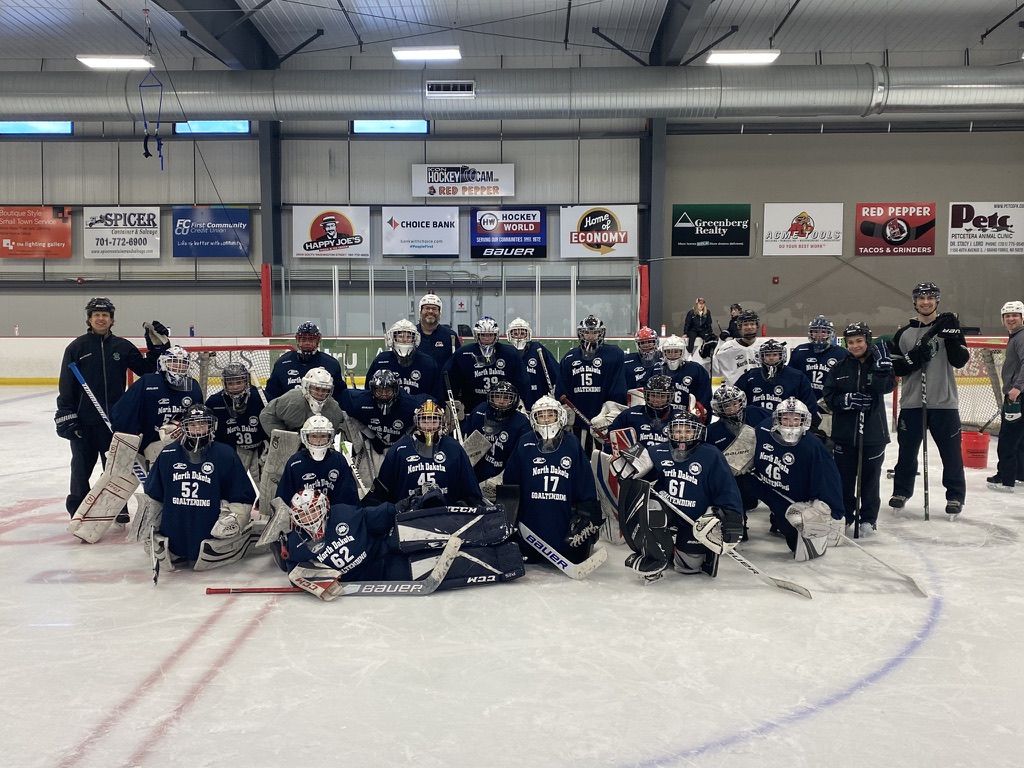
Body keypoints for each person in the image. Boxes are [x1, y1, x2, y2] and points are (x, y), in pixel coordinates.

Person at [274, 489, 524, 598]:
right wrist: (315, 581)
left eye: (313, 512)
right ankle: (505, 559)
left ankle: (492, 525)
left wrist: (407, 502)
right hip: (381, 574)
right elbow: (295, 571)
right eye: (303, 516)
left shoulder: (344, 514)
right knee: (441, 564)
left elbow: (378, 515)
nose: (310, 519)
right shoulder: (296, 544)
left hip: (385, 545)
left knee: (419, 530)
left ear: (324, 508)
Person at [55, 297, 169, 519]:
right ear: (89, 319)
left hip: (116, 421)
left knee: (116, 469)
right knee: (80, 470)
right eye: (96, 315)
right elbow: (66, 386)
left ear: (111, 319)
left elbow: (147, 370)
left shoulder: (122, 346)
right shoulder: (77, 347)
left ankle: (116, 507)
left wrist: (157, 347)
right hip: (84, 421)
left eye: (105, 315)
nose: (100, 318)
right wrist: (66, 415)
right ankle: (78, 510)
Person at [616, 411, 744, 582]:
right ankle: (657, 554)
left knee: (688, 567)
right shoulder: (657, 451)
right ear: (670, 432)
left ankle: (678, 547)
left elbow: (726, 489)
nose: (682, 435)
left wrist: (732, 516)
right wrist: (627, 470)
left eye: (687, 431)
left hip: (695, 520)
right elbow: (634, 477)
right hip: (667, 513)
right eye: (678, 431)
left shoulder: (711, 455)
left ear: (696, 432)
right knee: (651, 507)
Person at [134, 404, 257, 570]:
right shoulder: (168, 454)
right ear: (184, 427)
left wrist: (236, 517)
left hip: (209, 533)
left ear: (211, 425)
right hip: (173, 535)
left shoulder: (225, 455)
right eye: (193, 424)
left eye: (202, 423)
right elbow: (154, 494)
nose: (198, 428)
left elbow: (242, 494)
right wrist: (150, 520)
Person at [887, 282, 969, 517]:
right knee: (906, 452)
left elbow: (960, 360)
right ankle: (901, 491)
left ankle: (955, 495)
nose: (926, 302)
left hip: (944, 403)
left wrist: (952, 335)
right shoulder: (904, 333)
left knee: (951, 454)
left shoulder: (948, 328)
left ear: (937, 301)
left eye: (930, 298)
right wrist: (912, 360)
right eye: (921, 298)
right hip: (913, 403)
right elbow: (896, 367)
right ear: (914, 302)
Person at [503, 396, 601, 564]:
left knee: (574, 552)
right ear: (534, 418)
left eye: (550, 414)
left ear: (559, 416)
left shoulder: (571, 443)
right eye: (541, 415)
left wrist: (584, 516)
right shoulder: (525, 442)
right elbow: (511, 484)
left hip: (563, 527)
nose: (546, 419)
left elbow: (585, 485)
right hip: (531, 530)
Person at [822, 322, 896, 534]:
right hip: (844, 435)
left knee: (869, 481)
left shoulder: (879, 363)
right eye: (851, 342)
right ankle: (845, 514)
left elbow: (886, 388)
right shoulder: (839, 367)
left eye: (859, 341)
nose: (855, 346)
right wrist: (845, 400)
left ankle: (869, 518)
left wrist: (883, 370)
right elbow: (829, 396)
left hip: (874, 435)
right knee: (844, 479)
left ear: (868, 341)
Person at [749, 398, 845, 560]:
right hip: (767, 488)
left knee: (799, 546)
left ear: (804, 420)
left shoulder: (813, 446)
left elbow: (830, 481)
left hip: (793, 501)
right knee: (739, 479)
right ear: (777, 419)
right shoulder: (763, 429)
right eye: (785, 418)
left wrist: (830, 511)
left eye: (796, 419)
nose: (790, 424)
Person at [365, 399, 482, 506]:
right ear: (417, 422)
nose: (429, 426)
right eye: (424, 420)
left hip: (447, 518)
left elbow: (471, 493)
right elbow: (381, 493)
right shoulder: (399, 449)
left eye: (434, 420)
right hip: (407, 519)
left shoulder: (454, 448)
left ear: (441, 422)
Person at [111, 345, 204, 463]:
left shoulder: (193, 387)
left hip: (178, 444)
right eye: (173, 362)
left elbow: (198, 418)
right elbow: (125, 410)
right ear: (163, 363)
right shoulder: (148, 382)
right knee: (119, 478)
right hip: (144, 442)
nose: (178, 366)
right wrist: (127, 437)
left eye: (183, 363)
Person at [705, 384, 772, 539]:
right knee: (735, 524)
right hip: (735, 480)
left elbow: (779, 424)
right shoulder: (712, 431)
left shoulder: (757, 413)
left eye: (735, 403)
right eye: (726, 406)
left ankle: (780, 520)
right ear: (719, 408)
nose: (732, 408)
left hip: (762, 472)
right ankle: (737, 523)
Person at [555, 314, 627, 450]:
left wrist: (610, 414)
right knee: (578, 458)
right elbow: (561, 388)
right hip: (577, 422)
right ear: (580, 334)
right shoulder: (569, 358)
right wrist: (566, 411)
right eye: (587, 332)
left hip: (603, 421)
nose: (591, 336)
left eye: (595, 332)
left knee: (601, 460)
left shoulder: (614, 354)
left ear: (602, 333)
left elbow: (618, 387)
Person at [442, 316, 532, 414]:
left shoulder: (510, 353)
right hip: (471, 407)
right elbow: (449, 378)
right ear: (477, 335)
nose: (487, 338)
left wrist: (519, 400)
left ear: (496, 335)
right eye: (483, 334)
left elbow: (522, 381)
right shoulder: (463, 353)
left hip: (505, 406)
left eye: (490, 334)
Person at [462, 381, 532, 498]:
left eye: (506, 398)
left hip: (504, 486)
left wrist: (502, 479)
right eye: (497, 396)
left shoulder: (522, 424)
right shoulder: (479, 412)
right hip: (475, 479)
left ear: (514, 400)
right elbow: (466, 449)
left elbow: (520, 459)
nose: (500, 401)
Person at [276, 415, 360, 507]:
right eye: (314, 436)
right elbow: (284, 496)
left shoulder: (338, 460)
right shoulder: (295, 462)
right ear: (305, 437)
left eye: (323, 436)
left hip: (333, 516)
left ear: (330, 437)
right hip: (303, 516)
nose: (319, 441)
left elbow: (348, 496)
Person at [205, 362, 268, 484]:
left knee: (266, 487)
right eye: (230, 383)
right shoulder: (214, 402)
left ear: (247, 381)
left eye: (239, 382)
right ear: (224, 383)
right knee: (230, 485)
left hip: (259, 450)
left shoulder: (260, 397)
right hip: (232, 451)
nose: (235, 387)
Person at [987, 301, 1024, 492]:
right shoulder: (1015, 336)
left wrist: (1017, 388)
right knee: (1019, 438)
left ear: (1022, 317)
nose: (1011, 318)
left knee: (1008, 438)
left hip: (1017, 396)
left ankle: (1006, 478)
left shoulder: (1021, 337)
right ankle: (1020, 474)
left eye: (1015, 315)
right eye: (1007, 316)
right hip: (1018, 395)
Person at [264, 322, 347, 404]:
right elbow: (272, 396)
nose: (307, 343)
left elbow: (340, 396)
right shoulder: (282, 363)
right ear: (297, 340)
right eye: (303, 339)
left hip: (322, 413)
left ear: (318, 341)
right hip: (290, 414)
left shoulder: (331, 364)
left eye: (311, 339)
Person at [736, 339, 818, 417]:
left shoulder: (797, 376)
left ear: (781, 356)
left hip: (788, 424)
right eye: (767, 355)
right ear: (761, 357)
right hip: (756, 423)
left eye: (775, 354)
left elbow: (810, 404)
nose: (771, 358)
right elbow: (736, 398)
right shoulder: (751, 375)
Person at [365, 319, 441, 400]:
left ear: (415, 339)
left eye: (409, 337)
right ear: (392, 338)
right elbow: (369, 390)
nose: (404, 340)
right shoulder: (381, 361)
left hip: (419, 410)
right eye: (400, 336)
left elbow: (436, 395)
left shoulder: (428, 363)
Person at [260, 367, 345, 434]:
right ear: (306, 386)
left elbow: (341, 425)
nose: (320, 393)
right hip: (289, 448)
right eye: (316, 388)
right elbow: (266, 415)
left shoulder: (334, 409)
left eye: (325, 390)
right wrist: (283, 438)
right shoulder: (291, 400)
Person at [789, 315, 850, 399]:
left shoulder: (841, 353)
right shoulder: (800, 351)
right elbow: (791, 377)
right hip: (804, 401)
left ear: (830, 334)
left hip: (829, 403)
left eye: (823, 332)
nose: (819, 335)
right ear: (811, 333)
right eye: (816, 331)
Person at [506, 317, 560, 400]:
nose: (519, 337)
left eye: (522, 333)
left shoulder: (538, 349)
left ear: (528, 334)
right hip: (512, 398)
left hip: (537, 398)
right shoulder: (506, 352)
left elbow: (555, 373)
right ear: (509, 335)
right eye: (515, 334)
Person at [658, 334, 713, 417]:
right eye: (669, 351)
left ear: (682, 352)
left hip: (688, 420)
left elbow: (705, 396)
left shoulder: (696, 370)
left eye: (676, 351)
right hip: (663, 418)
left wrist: (699, 411)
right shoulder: (657, 370)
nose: (672, 355)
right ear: (664, 353)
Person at [712, 309, 760, 386]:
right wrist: (707, 357)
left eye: (752, 324)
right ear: (740, 327)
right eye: (746, 324)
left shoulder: (764, 346)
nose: (749, 327)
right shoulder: (728, 347)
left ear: (757, 326)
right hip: (735, 394)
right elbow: (715, 371)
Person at [416, 292, 462, 367]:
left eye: (434, 309)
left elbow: (458, 362)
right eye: (427, 308)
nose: (430, 311)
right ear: (420, 311)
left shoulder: (450, 336)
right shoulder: (411, 335)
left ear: (440, 312)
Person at [623, 326, 663, 391]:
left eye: (650, 342)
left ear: (656, 342)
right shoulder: (627, 361)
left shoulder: (664, 359)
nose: (646, 345)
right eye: (642, 343)